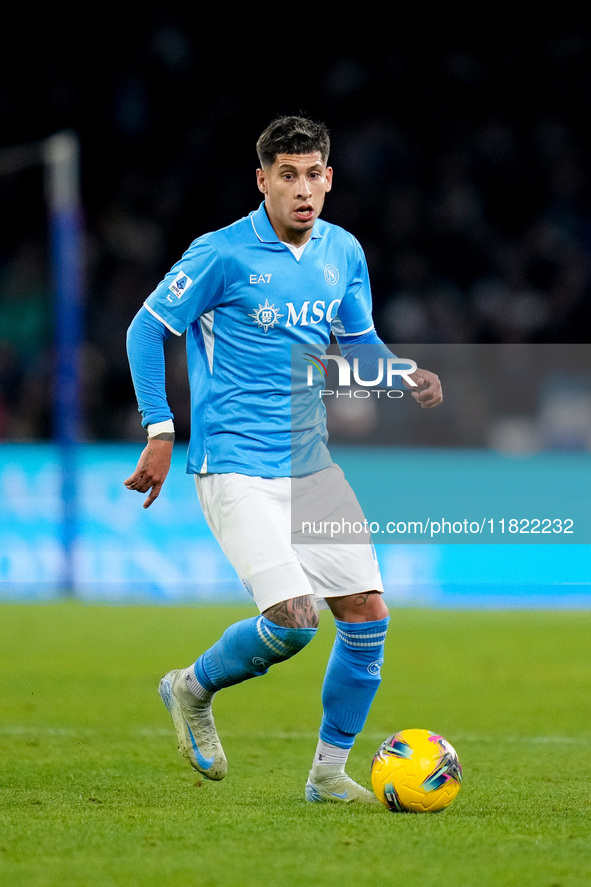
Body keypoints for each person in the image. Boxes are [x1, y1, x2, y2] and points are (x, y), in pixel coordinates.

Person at [124, 115, 442, 803]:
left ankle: (327, 774)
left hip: (311, 466)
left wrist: (402, 373)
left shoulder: (342, 252)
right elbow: (146, 329)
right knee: (296, 620)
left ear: (329, 178)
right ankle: (191, 686)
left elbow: (359, 345)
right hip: (235, 467)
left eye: (313, 174)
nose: (302, 188)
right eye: (287, 175)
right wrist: (159, 428)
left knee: (365, 614)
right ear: (262, 179)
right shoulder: (221, 254)